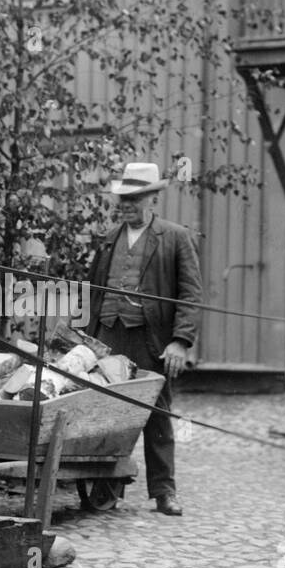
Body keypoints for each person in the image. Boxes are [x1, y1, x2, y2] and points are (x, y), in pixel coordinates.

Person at [87, 163, 201, 517]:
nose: (126, 205)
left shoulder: (175, 237)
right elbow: (94, 291)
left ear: (152, 198)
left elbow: (191, 294)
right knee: (106, 411)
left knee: (157, 414)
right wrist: (89, 340)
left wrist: (180, 341)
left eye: (134, 199)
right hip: (109, 335)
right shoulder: (108, 238)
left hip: (151, 340)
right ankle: (106, 488)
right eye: (123, 199)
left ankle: (164, 491)